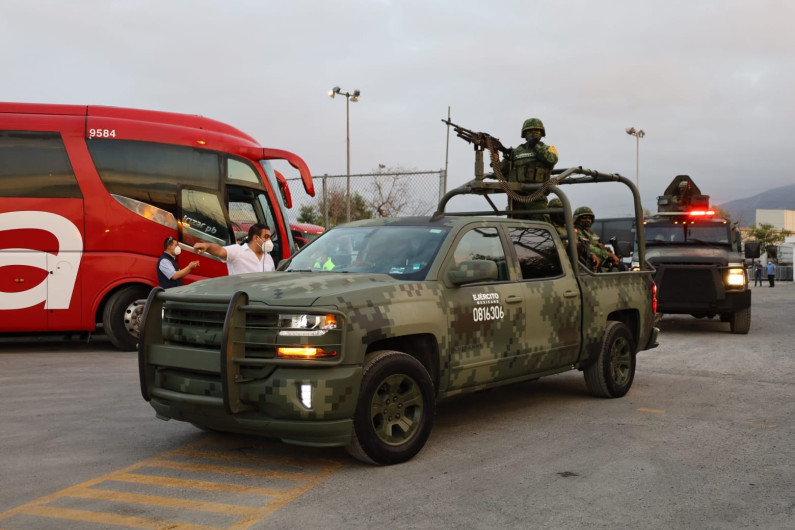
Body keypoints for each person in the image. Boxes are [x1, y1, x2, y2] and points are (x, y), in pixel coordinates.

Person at [499, 118, 558, 220]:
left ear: (541, 133)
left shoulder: (548, 148)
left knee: (542, 225)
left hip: (537, 195)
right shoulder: (516, 151)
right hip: (517, 197)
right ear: (524, 133)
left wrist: (536, 147)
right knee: (516, 228)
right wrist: (495, 159)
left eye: (536, 131)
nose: (533, 133)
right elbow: (501, 171)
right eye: (530, 131)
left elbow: (551, 160)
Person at [193, 223, 275, 275]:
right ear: (256, 238)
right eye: (266, 237)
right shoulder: (238, 251)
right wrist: (207, 246)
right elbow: (220, 251)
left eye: (269, 237)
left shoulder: (268, 258)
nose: (269, 241)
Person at [573, 206, 622, 271]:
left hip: (601, 264)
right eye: (584, 218)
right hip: (587, 266)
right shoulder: (575, 232)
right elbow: (586, 247)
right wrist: (608, 255)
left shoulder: (591, 233)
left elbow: (600, 245)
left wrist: (609, 253)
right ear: (577, 218)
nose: (588, 220)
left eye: (589, 218)